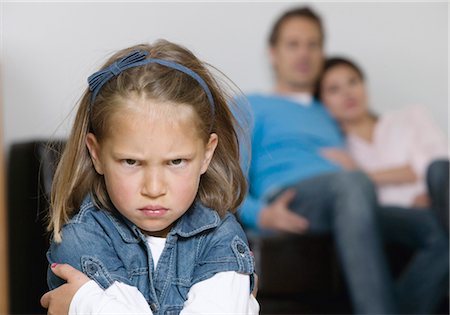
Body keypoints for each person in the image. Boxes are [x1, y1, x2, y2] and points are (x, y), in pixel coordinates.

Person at [239, 6, 448, 314]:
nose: (304, 53)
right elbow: (226, 176)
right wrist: (260, 214)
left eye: (313, 45)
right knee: (350, 184)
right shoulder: (250, 105)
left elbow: (378, 152)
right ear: (273, 53)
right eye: (293, 44)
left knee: (439, 232)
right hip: (296, 196)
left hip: (354, 201)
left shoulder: (331, 111)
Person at [40, 40, 259, 314]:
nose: (154, 188)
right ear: (96, 154)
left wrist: (87, 303)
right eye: (131, 161)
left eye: (176, 161)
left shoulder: (220, 236)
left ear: (206, 154)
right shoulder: (79, 240)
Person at [316, 56, 449, 232]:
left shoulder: (411, 116)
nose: (347, 93)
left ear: (364, 85)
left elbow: (436, 163)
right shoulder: (341, 151)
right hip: (398, 224)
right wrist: (404, 173)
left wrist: (363, 175)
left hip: (440, 202)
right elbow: (362, 201)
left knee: (439, 170)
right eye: (334, 89)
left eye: (353, 82)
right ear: (322, 102)